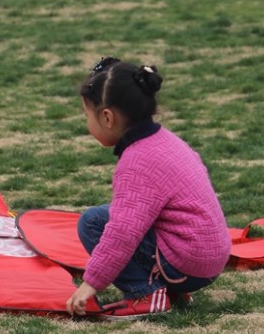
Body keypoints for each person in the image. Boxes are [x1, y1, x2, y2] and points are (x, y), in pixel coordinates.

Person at [66, 57, 231, 320]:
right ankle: (169, 289)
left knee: (93, 223)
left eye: (87, 116)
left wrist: (91, 283)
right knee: (108, 216)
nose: (87, 124)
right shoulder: (166, 140)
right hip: (207, 259)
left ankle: (145, 293)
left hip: (187, 263)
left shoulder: (137, 161)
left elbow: (122, 233)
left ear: (107, 117)